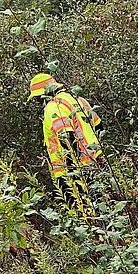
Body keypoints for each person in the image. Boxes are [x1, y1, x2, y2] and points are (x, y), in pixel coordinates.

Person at [28, 73, 102, 211]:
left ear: (45, 93)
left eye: (37, 98)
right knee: (102, 206)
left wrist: (72, 174)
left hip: (73, 172)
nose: (38, 102)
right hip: (97, 163)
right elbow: (98, 126)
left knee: (83, 213)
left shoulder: (53, 107)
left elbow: (67, 138)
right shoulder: (78, 99)